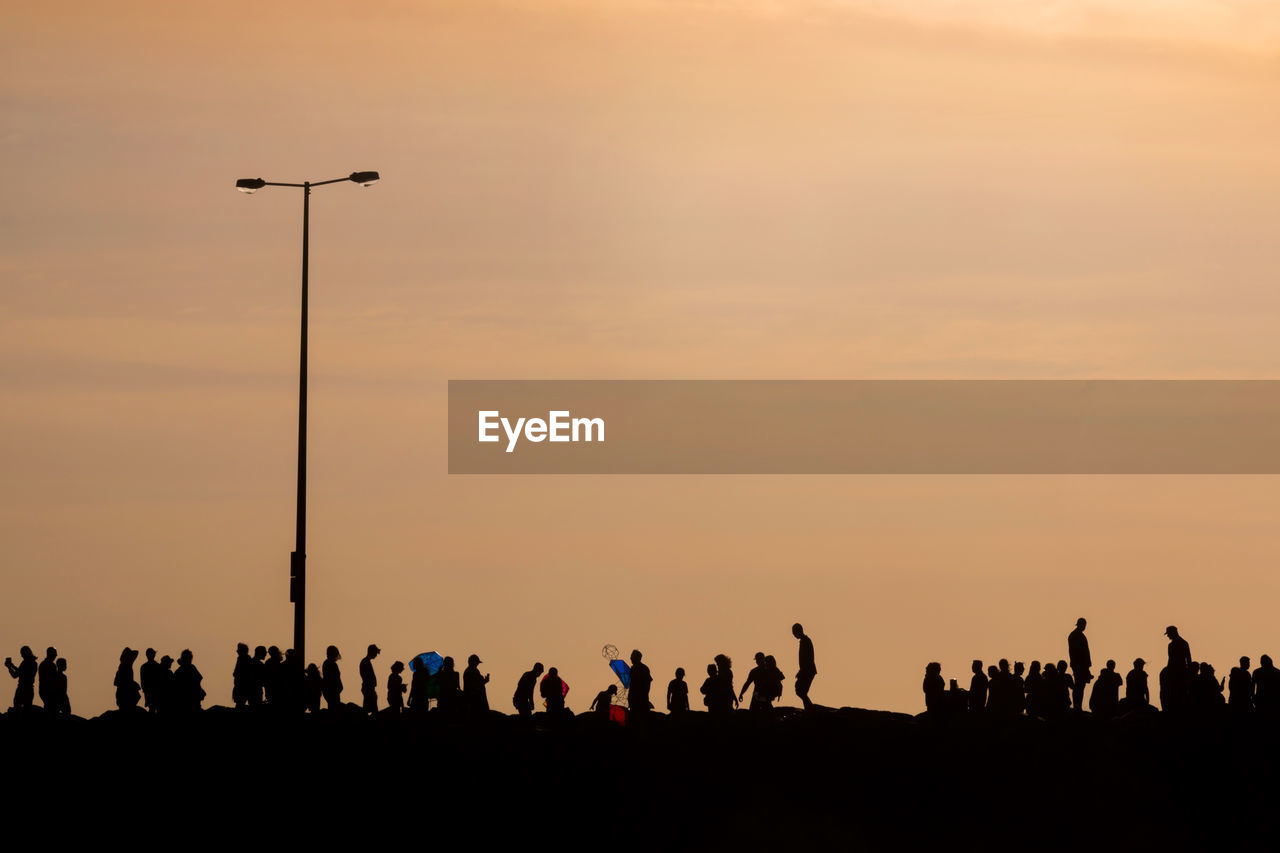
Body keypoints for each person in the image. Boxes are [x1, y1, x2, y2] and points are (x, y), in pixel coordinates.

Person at [1068, 618, 1092, 712]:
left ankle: (1078, 706)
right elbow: (1078, 653)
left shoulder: (1078, 635)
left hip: (1081, 665)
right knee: (1079, 686)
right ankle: (1077, 706)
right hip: (1079, 665)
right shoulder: (1076, 635)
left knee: (1080, 686)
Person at [5, 646, 37, 711]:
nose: (21, 656)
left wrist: (9, 667)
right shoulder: (34, 663)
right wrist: (11, 666)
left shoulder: (25, 663)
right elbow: (20, 672)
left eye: (22, 654)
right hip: (29, 689)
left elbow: (16, 674)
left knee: (17, 708)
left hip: (22, 689)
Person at [793, 623, 817, 710]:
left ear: (798, 631)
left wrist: (802, 671)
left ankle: (809, 708)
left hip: (808, 670)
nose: (793, 635)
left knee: (800, 690)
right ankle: (809, 707)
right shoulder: (804, 641)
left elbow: (809, 658)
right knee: (800, 690)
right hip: (806, 670)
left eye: (794, 632)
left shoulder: (806, 641)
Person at [629, 650, 652, 718]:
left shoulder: (636, 668)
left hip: (638, 698)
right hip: (639, 697)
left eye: (632, 656)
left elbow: (648, 682)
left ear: (636, 658)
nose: (630, 658)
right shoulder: (644, 668)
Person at [359, 644, 381, 715]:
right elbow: (366, 676)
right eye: (375, 653)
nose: (376, 655)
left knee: (369, 708)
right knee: (372, 709)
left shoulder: (365, 661)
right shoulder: (366, 662)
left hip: (369, 688)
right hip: (368, 688)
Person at [140, 648, 161, 713]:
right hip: (155, 692)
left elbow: (143, 682)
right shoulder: (157, 666)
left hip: (150, 692)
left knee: (152, 709)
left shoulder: (144, 667)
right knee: (155, 709)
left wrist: (145, 690)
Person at [322, 645, 343, 710]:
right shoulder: (331, 664)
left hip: (331, 692)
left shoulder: (326, 663)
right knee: (334, 710)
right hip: (333, 692)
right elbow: (334, 679)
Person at [37, 647, 58, 711]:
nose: (55, 656)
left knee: (49, 706)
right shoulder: (49, 665)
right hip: (47, 690)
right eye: (54, 654)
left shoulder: (44, 664)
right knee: (50, 707)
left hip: (44, 690)